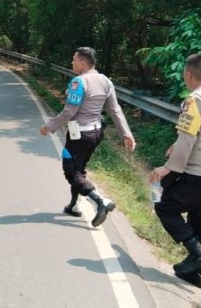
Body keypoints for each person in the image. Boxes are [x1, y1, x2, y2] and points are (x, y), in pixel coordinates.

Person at [148, 54, 201, 290]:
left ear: (188, 74)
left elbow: (188, 138)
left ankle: (198, 254)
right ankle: (199, 277)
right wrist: (177, 146)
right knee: (199, 221)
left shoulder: (194, 100)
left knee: (165, 207)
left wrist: (168, 168)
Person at [40, 47, 136, 227]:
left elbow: (69, 112)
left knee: (71, 171)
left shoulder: (79, 82)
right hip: (96, 133)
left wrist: (49, 126)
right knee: (79, 168)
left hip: (80, 135)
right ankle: (74, 205)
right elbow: (115, 110)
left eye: (74, 60)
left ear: (83, 63)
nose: (72, 62)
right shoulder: (106, 81)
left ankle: (101, 201)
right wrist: (126, 134)